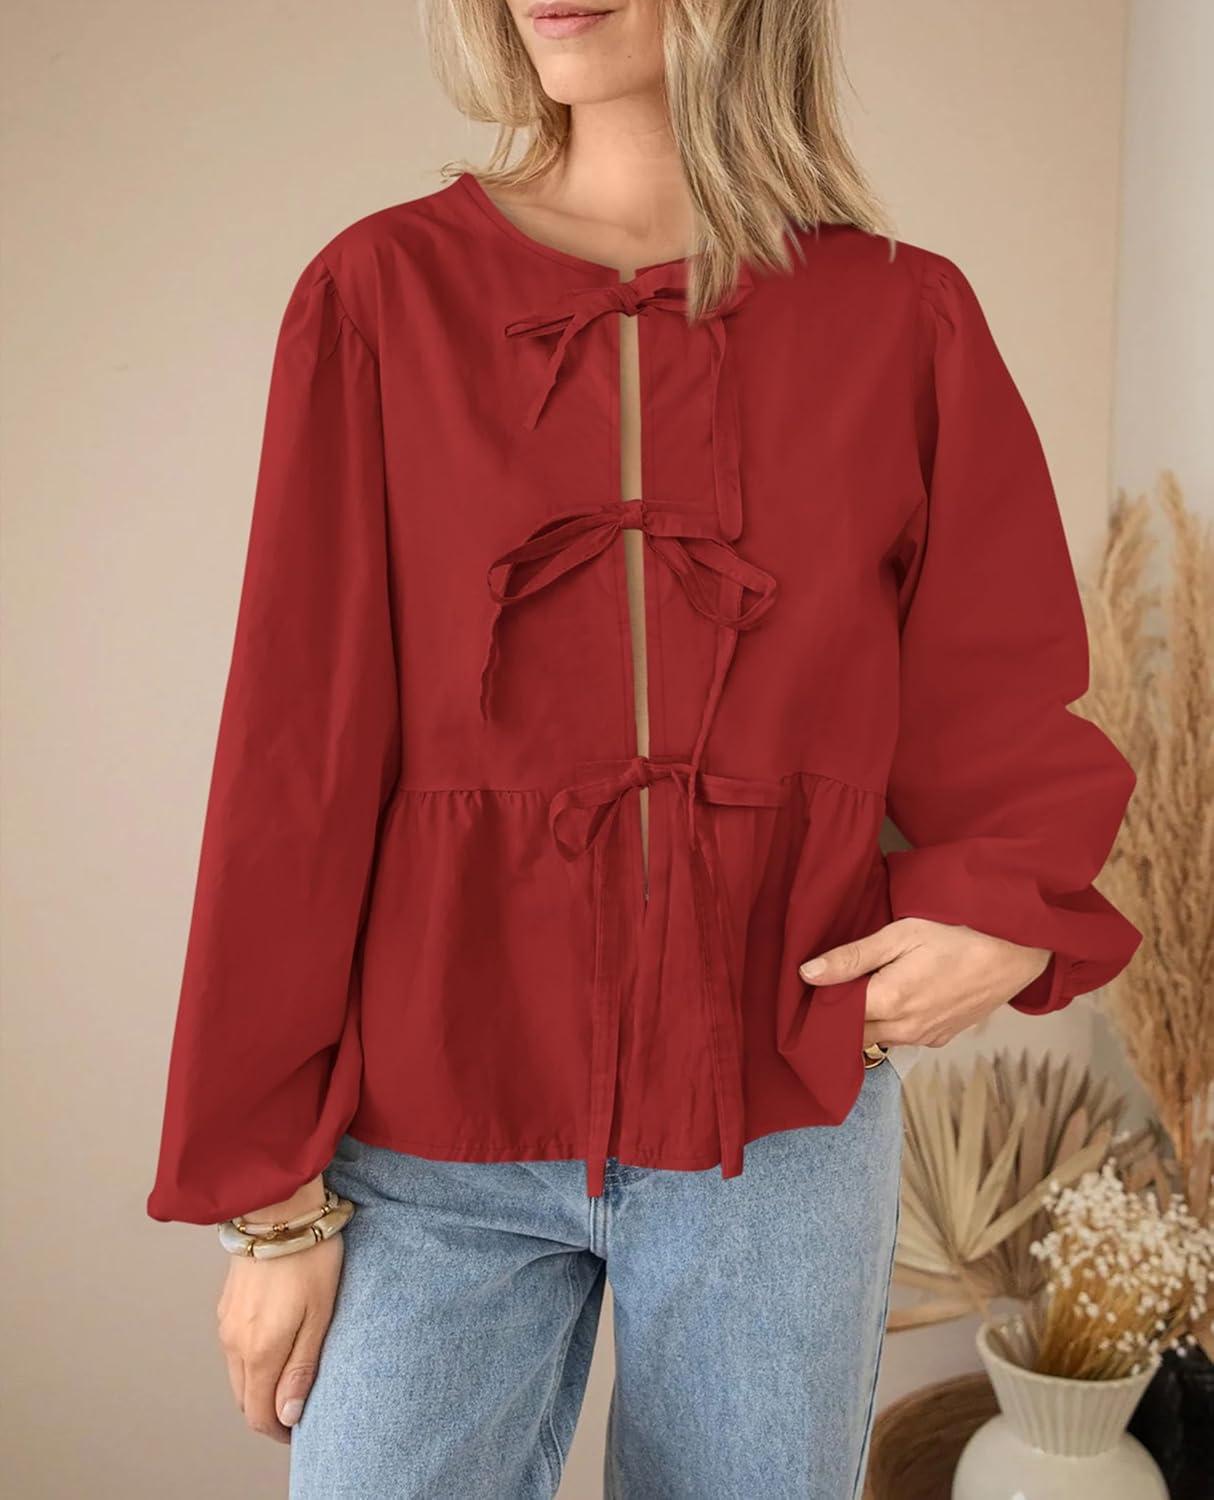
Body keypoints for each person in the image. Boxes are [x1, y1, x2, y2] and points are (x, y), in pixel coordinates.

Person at [146, 2, 1142, 1495]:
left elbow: (992, 684)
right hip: (426, 1126)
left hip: (779, 1120)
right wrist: (269, 1200)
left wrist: (1001, 908)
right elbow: (296, 745)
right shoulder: (382, 292)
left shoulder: (902, 314)